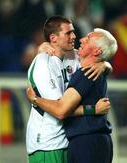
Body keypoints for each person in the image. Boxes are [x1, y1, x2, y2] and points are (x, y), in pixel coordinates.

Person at [26, 15, 113, 163]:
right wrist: (93, 110)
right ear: (53, 38)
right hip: (48, 143)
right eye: (68, 33)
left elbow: (97, 56)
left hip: (68, 140)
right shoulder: (43, 62)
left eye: (73, 31)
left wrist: (104, 65)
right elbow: (60, 110)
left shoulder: (74, 56)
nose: (74, 36)